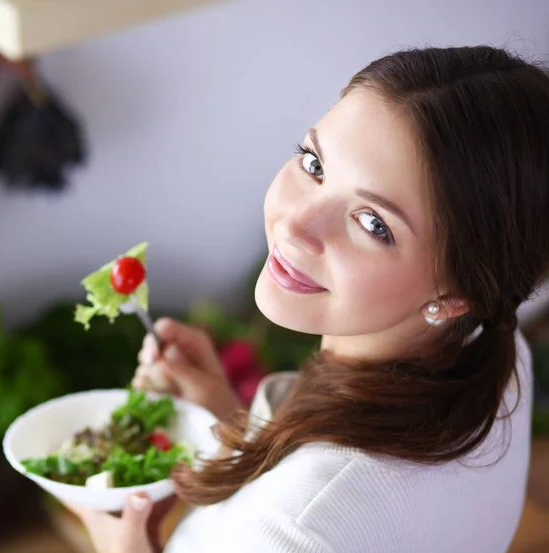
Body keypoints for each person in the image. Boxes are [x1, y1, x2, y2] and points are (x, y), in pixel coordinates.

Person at [64, 45, 549, 552]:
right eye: (315, 164)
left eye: (373, 224)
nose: (295, 226)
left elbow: (318, 515)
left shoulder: (298, 529)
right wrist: (231, 424)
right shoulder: (499, 357)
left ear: (456, 295)